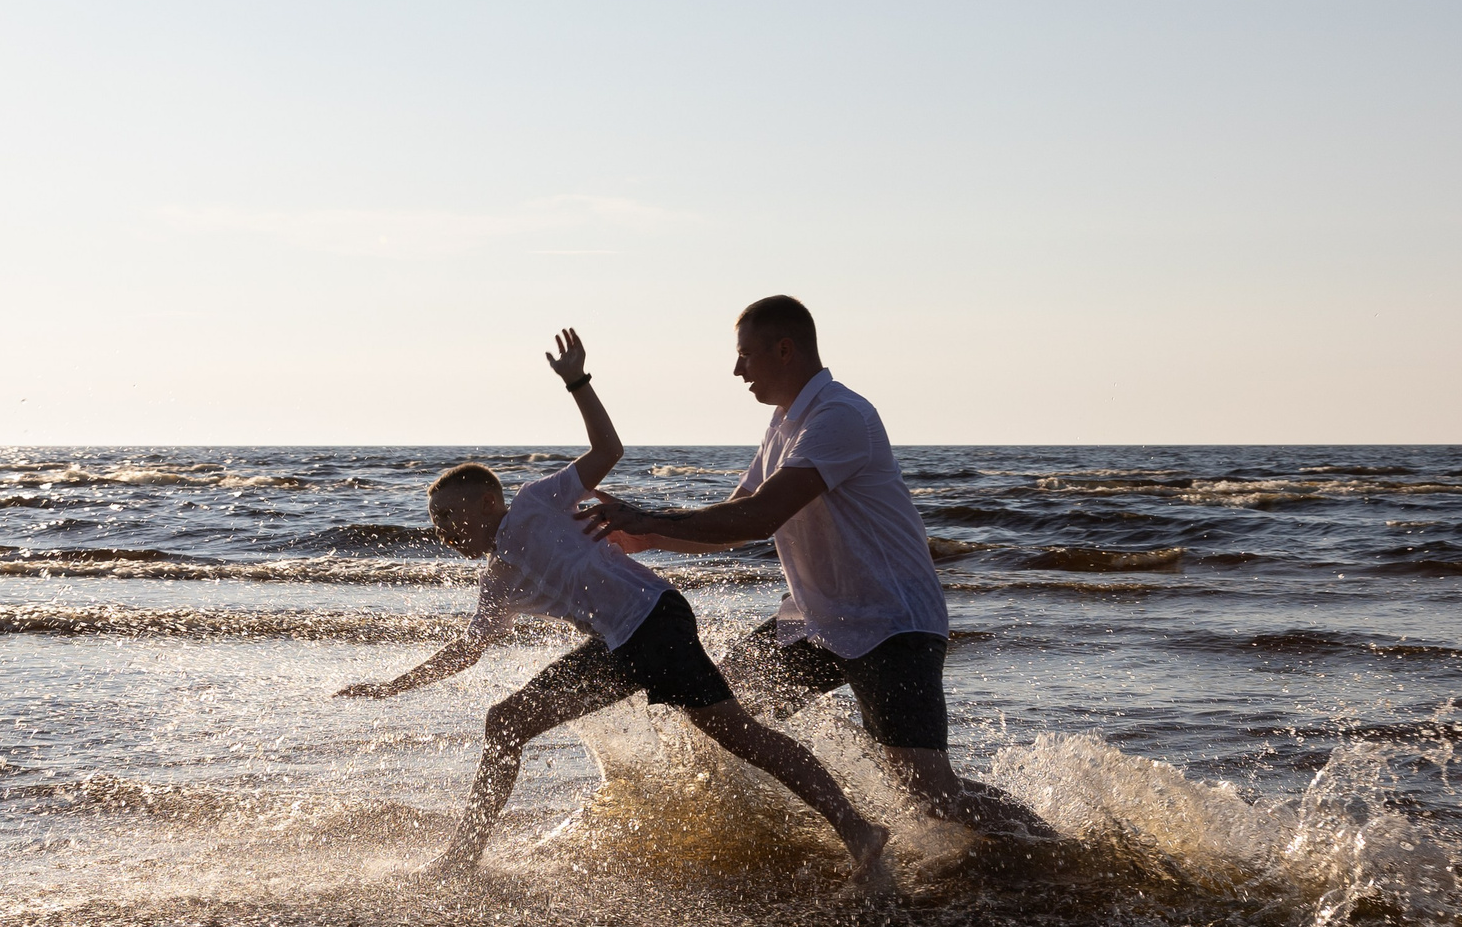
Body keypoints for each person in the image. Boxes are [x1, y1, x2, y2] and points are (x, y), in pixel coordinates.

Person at [336, 328, 895, 892]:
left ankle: (855, 828)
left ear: (488, 503)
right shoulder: (498, 581)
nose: (446, 535)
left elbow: (609, 450)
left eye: (451, 520)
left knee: (738, 734)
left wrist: (578, 382)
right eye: (436, 528)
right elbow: (468, 649)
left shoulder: (536, 502)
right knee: (506, 723)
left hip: (654, 622)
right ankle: (462, 858)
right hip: (620, 645)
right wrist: (392, 686)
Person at [585, 295, 1009, 833]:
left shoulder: (839, 416)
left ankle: (1066, 855)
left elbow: (760, 517)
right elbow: (733, 522)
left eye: (745, 355)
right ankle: (781, 841)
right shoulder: (785, 424)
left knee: (929, 793)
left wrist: (650, 519)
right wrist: (642, 538)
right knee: (722, 713)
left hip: (891, 624)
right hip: (816, 619)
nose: (737, 370)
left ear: (784, 350)